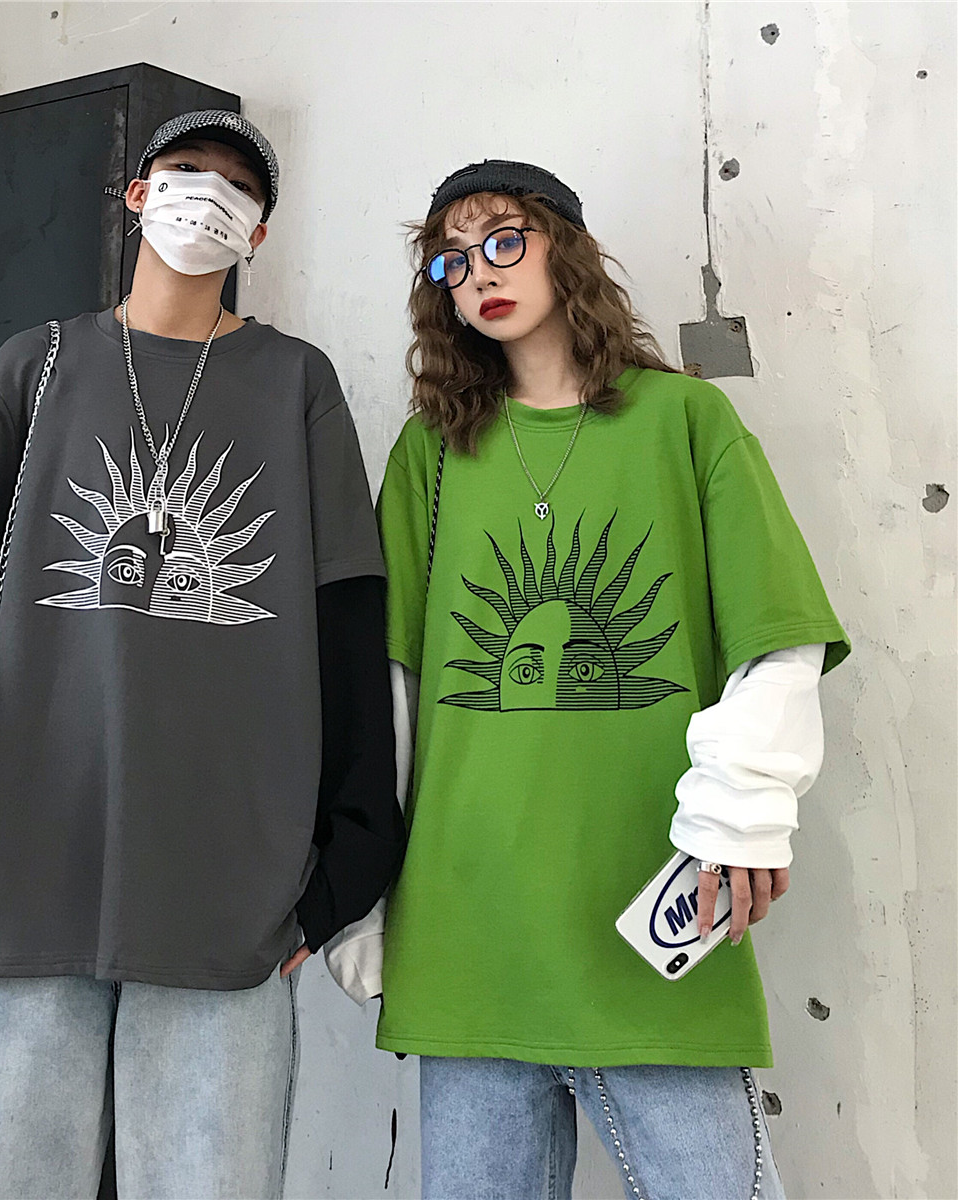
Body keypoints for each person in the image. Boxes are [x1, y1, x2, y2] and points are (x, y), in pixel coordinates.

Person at [0, 109, 405, 1200]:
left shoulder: (295, 383)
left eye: (237, 187)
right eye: (185, 170)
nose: (206, 195)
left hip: (229, 884)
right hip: (34, 861)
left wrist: (353, 860)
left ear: (258, 232)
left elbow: (346, 621)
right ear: (137, 194)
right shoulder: (36, 367)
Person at [347, 159, 849, 1199]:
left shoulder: (684, 421)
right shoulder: (432, 453)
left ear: (563, 247)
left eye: (503, 240)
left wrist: (743, 810)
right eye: (452, 260)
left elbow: (777, 640)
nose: (478, 273)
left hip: (649, 916)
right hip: (469, 926)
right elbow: (386, 686)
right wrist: (363, 890)